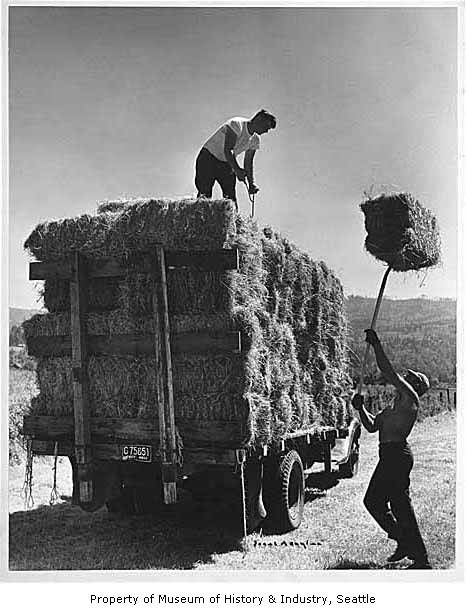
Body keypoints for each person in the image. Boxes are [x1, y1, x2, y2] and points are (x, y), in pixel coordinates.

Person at [352, 328, 431, 569]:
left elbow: (388, 371)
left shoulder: (410, 399)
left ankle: (414, 551)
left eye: (409, 378)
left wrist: (376, 344)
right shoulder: (395, 405)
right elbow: (372, 427)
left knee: (389, 504)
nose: (404, 379)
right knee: (385, 504)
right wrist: (360, 408)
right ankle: (409, 546)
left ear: (414, 384)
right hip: (389, 456)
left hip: (397, 456)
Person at [194, 109, 276, 207]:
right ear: (258, 119)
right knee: (205, 195)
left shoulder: (255, 140)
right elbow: (228, 149)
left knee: (230, 200)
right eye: (266, 126)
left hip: (225, 162)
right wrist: (237, 170)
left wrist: (251, 183)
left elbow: (248, 162)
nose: (267, 131)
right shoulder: (237, 124)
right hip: (208, 157)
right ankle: (200, 221)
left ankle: (233, 221)